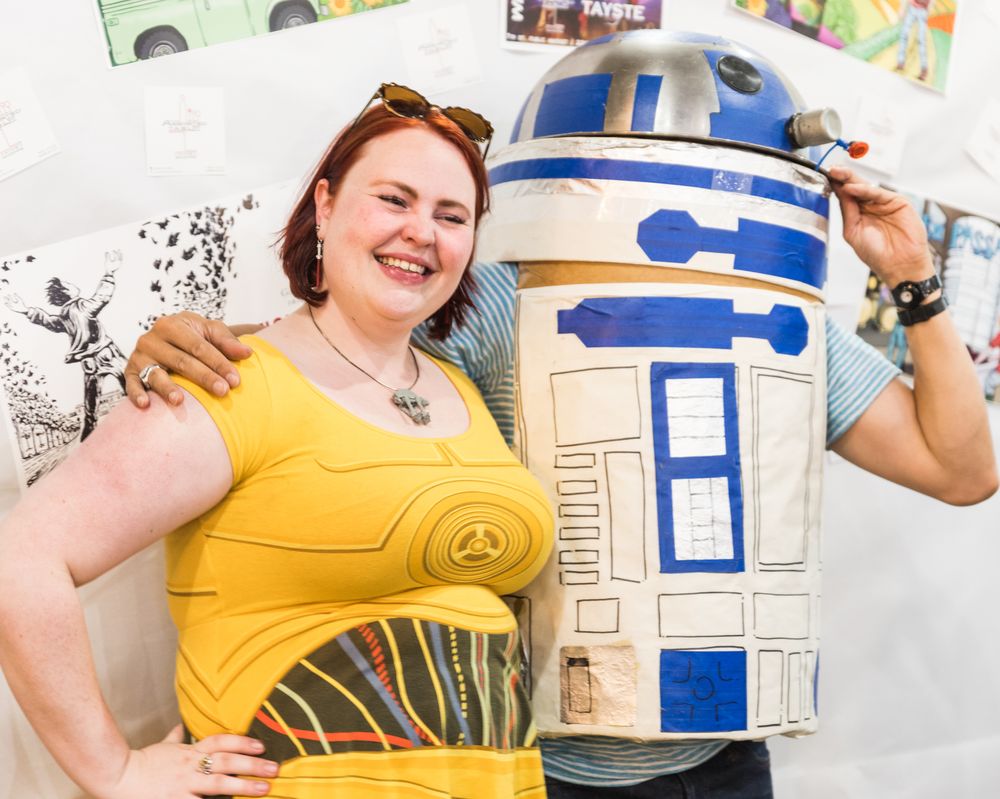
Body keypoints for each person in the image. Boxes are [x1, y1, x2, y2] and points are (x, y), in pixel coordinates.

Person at [126, 163, 998, 796]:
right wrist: (199, 345)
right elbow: (341, 354)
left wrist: (912, 277)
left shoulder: (777, 319)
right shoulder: (504, 303)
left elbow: (962, 469)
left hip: (724, 754)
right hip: (541, 757)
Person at [0, 86, 555, 799]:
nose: (422, 231)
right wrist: (114, 770)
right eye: (395, 199)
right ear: (326, 205)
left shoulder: (462, 387)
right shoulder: (226, 381)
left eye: (452, 216)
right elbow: (22, 558)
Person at [3, 250, 128, 441]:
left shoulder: (64, 315)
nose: (73, 284)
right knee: (135, 385)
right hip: (106, 353)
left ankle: (88, 438)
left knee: (91, 408)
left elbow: (48, 321)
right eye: (69, 284)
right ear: (67, 292)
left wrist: (26, 310)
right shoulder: (81, 306)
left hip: (88, 362)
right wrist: (109, 273)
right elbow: (102, 297)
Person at [896, 0, 931, 82]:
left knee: (921, 39)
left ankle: (924, 68)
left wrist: (928, 11)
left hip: (923, 11)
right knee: (904, 35)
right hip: (912, 9)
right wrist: (902, 9)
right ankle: (900, 61)